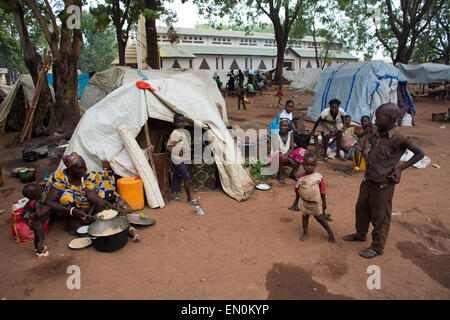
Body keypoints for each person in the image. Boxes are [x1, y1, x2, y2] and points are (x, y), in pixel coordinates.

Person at [343, 103, 425, 258]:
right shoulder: (376, 132)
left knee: (380, 215)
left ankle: (377, 247)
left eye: (379, 117)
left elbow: (419, 153)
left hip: (383, 183)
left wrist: (400, 169)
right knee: (361, 209)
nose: (376, 120)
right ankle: (360, 234)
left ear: (391, 119)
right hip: (368, 179)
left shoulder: (399, 137)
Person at [43, 152, 117, 235]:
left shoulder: (86, 175)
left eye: (85, 166)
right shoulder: (60, 177)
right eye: (80, 168)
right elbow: (49, 201)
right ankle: (69, 221)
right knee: (67, 196)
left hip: (81, 197)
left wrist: (104, 203)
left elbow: (92, 196)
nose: (84, 170)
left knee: (103, 187)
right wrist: (71, 211)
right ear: (70, 169)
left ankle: (87, 215)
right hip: (67, 205)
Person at [288, 152, 335, 243]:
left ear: (315, 165)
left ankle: (330, 232)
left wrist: (324, 202)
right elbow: (297, 190)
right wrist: (296, 201)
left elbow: (322, 191)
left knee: (320, 219)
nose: (309, 167)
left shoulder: (318, 177)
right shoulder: (300, 177)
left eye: (312, 165)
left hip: (315, 203)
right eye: (307, 165)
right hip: (304, 202)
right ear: (303, 164)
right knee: (304, 218)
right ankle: (305, 233)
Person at [167, 113, 200, 205]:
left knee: (176, 177)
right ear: (175, 123)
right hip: (177, 160)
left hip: (182, 159)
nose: (182, 124)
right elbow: (169, 147)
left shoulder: (182, 133)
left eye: (183, 122)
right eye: (179, 122)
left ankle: (172, 196)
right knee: (186, 176)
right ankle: (189, 198)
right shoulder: (175, 134)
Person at [21, 184, 51, 258]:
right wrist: (47, 208)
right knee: (41, 238)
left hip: (33, 222)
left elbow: (23, 213)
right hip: (38, 224)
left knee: (36, 236)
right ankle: (40, 252)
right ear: (36, 195)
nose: (42, 193)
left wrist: (29, 224)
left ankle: (36, 248)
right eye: (41, 192)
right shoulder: (36, 203)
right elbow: (39, 214)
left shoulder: (29, 202)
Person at [269, 119, 303, 183]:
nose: (283, 127)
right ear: (279, 126)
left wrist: (287, 156)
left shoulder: (290, 134)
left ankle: (293, 173)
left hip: (287, 156)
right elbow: (277, 150)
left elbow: (291, 148)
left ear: (288, 127)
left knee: (302, 151)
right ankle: (279, 175)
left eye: (285, 126)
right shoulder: (275, 135)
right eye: (281, 125)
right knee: (279, 155)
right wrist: (289, 159)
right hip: (276, 159)